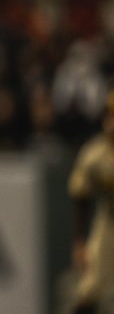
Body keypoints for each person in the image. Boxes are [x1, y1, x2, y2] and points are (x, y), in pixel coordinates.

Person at [68, 89, 114, 314]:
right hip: (110, 219)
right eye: (109, 115)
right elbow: (81, 195)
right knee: (90, 287)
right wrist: (79, 241)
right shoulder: (95, 154)